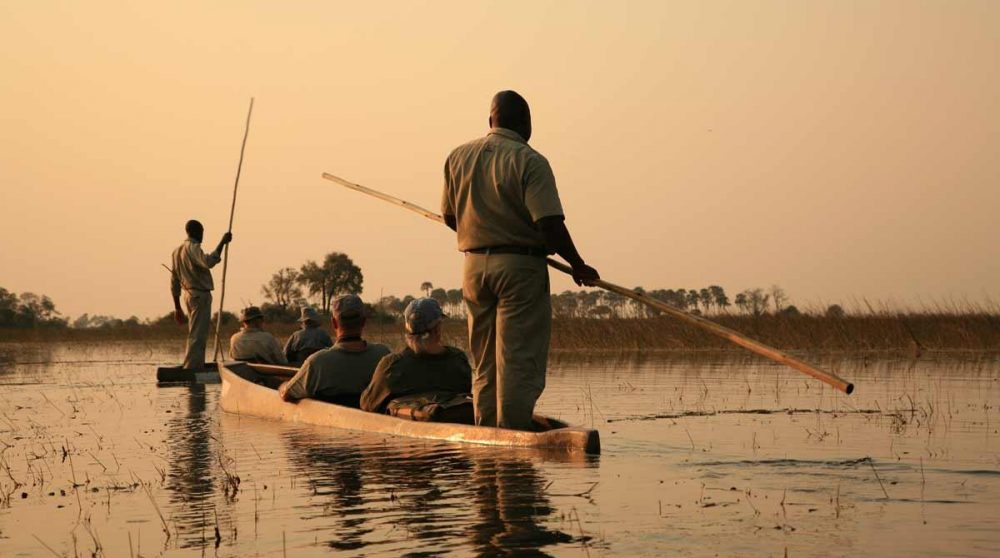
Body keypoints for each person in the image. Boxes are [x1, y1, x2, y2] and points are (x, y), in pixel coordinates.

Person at [441, 90, 600, 430]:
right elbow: (549, 224)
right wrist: (577, 265)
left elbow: (450, 218)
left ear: (490, 121)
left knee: (483, 362)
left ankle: (486, 434)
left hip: (473, 267)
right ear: (526, 124)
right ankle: (511, 436)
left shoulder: (458, 157)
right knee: (516, 361)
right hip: (518, 268)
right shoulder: (530, 161)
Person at [360, 298, 472, 421]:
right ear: (437, 330)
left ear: (408, 330)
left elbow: (368, 404)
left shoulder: (391, 365)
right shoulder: (457, 359)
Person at [279, 294, 390, 405]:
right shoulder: (384, 356)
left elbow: (287, 394)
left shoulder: (317, 362)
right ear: (363, 321)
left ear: (334, 323)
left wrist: (282, 386)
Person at [170, 219, 232, 370]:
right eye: (202, 232)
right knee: (198, 335)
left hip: (188, 296)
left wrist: (177, 307)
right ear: (197, 232)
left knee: (194, 332)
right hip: (199, 295)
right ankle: (193, 368)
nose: (203, 235)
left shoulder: (176, 252)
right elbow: (208, 262)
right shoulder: (193, 247)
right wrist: (222, 243)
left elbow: (174, 282)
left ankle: (191, 364)